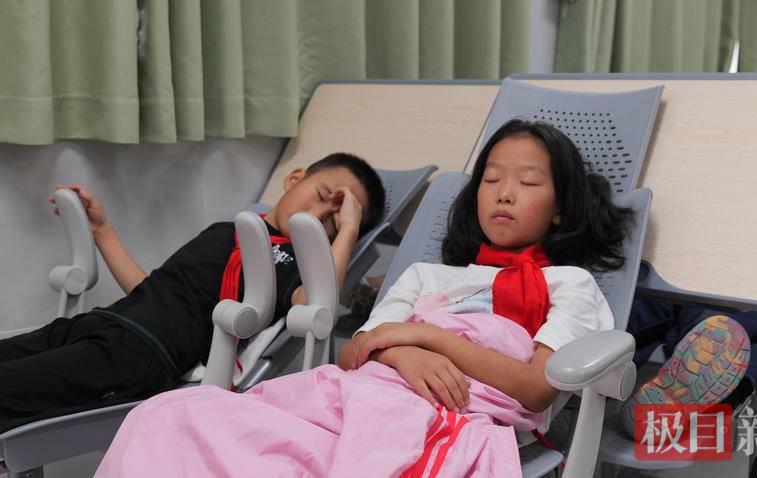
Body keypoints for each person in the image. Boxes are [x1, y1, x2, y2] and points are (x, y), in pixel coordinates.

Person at [94, 119, 634, 477]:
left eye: (528, 183)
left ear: (560, 208)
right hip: (350, 394)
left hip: (433, 416)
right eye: (491, 180)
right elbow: (357, 351)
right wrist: (404, 353)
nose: (505, 193)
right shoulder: (427, 275)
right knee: (165, 415)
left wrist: (420, 337)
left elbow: (535, 389)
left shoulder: (569, 284)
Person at [0, 153, 385, 433]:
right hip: (104, 322)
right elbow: (152, 289)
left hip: (140, 355)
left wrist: (349, 229)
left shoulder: (292, 261)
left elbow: (316, 303)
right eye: (322, 195)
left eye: (332, 221)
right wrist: (102, 230)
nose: (317, 216)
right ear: (294, 178)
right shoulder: (224, 230)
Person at [621, 205, 757, 436]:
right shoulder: (724, 202)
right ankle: (607, 363)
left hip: (750, 307)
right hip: (692, 288)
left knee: (736, 334)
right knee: (647, 297)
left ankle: (693, 391)